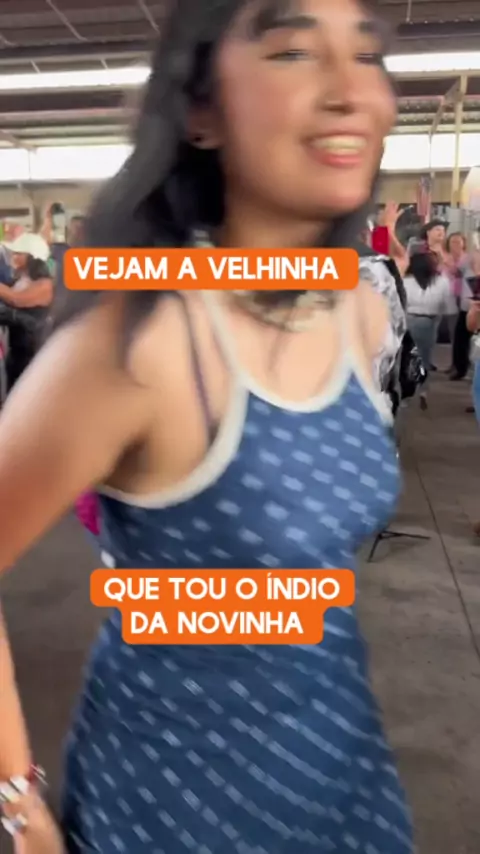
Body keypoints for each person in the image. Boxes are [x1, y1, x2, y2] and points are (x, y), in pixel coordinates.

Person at [0, 1, 413, 853]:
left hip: (343, 768)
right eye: (294, 51)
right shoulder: (140, 344)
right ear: (200, 112)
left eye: (368, 55)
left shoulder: (358, 313)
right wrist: (21, 809)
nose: (351, 91)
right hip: (177, 802)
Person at [0, 232, 53, 389]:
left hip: (33, 354)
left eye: (18, 253)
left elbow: (17, 299)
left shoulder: (45, 284)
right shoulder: (20, 280)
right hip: (17, 351)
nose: (13, 257)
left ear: (32, 257)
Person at [403, 249, 450, 410]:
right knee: (425, 358)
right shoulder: (442, 282)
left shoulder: (406, 282)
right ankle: (423, 391)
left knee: (407, 358)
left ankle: (406, 394)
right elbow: (447, 306)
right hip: (429, 322)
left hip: (409, 320)